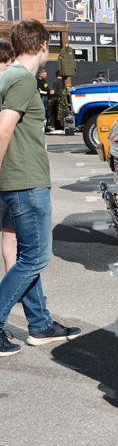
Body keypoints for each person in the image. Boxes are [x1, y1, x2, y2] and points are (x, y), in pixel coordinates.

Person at [0, 20, 80, 357]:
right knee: (35, 257)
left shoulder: (8, 76)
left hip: (16, 181)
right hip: (25, 182)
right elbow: (4, 130)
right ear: (43, 45)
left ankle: (40, 324)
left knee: (25, 256)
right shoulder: (19, 78)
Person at [0, 39, 16, 275]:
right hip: (10, 171)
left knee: (9, 232)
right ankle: (14, 285)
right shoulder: (10, 85)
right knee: (11, 233)